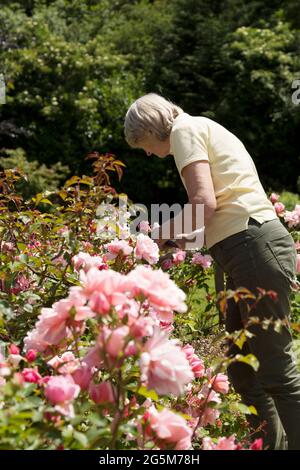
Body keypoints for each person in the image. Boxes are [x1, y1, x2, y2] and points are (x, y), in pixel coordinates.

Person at [124, 93, 300, 450]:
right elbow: (206, 218)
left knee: (275, 368)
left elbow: (203, 203)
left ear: (150, 128)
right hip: (242, 249)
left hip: (253, 245)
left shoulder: (184, 131)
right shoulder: (200, 127)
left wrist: (156, 232)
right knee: (240, 365)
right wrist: (172, 242)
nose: (145, 153)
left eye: (141, 143)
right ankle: (270, 445)